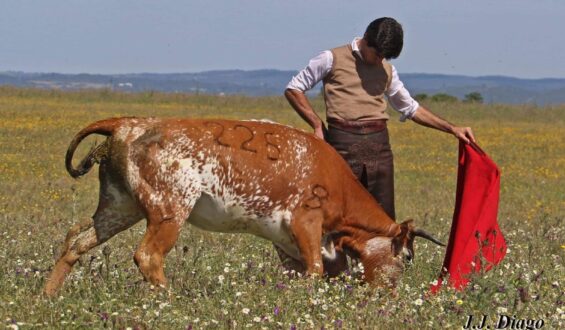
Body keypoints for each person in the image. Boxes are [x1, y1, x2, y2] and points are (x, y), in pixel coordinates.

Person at [285, 17, 475, 220]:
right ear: (366, 40)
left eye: (385, 56)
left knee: (383, 220)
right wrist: (317, 124)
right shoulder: (330, 58)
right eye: (377, 54)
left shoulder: (388, 69)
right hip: (341, 146)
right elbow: (294, 88)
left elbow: (411, 108)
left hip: (380, 149)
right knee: (337, 217)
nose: (380, 60)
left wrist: (452, 129)